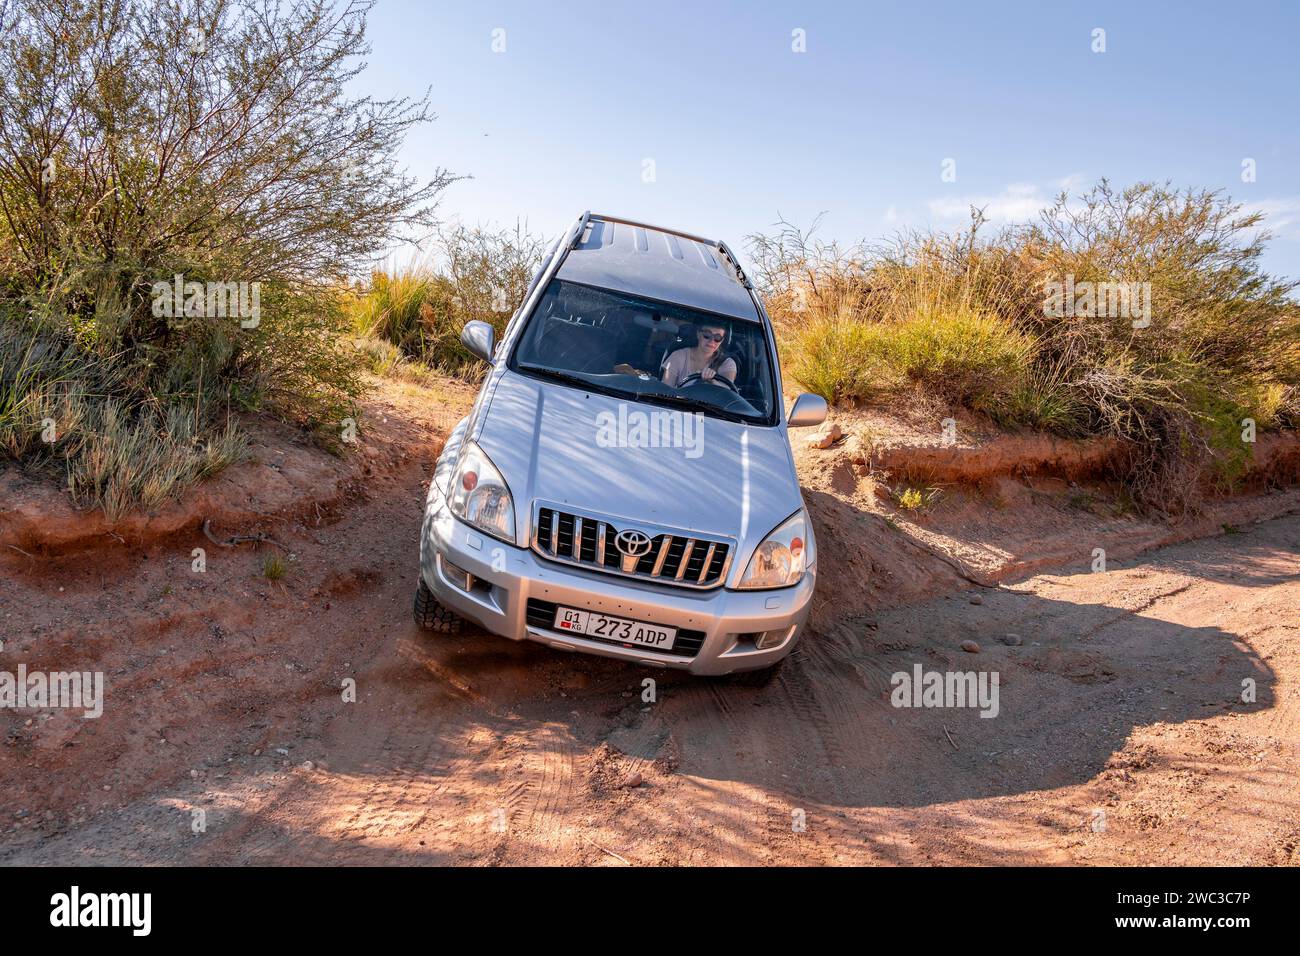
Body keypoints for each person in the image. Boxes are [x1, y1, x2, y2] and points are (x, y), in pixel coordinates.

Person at [661, 322, 737, 388]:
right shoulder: (678, 356)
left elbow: (727, 393)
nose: (711, 341)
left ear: (722, 341)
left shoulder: (727, 363)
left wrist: (713, 382)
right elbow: (665, 391)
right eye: (707, 335)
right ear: (698, 334)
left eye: (717, 338)